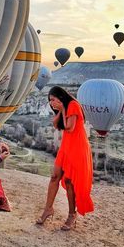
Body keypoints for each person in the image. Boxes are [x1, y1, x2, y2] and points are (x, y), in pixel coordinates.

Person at [36, 86, 94, 230]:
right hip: (66, 147)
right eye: (50, 101)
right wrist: (60, 110)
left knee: (69, 182)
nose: (51, 103)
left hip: (78, 148)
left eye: (53, 100)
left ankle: (71, 215)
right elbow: (56, 124)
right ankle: (48, 209)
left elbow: (70, 127)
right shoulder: (63, 109)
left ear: (61, 97)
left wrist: (62, 109)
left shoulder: (73, 105)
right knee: (54, 177)